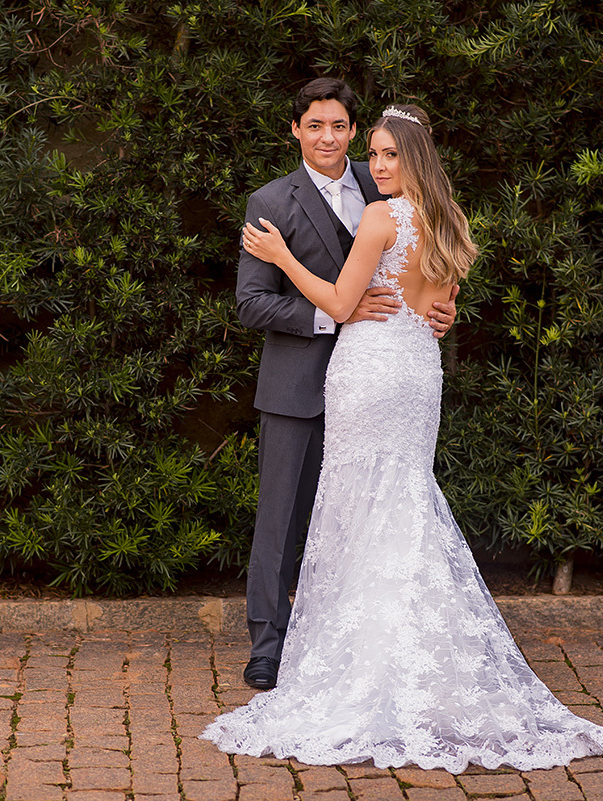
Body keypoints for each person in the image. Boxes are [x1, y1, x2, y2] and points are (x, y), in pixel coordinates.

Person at [203, 104, 603, 772]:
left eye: (386, 154)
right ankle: (412, 655)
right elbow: (438, 302)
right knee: (402, 501)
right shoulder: (450, 220)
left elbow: (343, 305)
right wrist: (440, 305)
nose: (375, 165)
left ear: (413, 156)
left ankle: (370, 665)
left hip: (369, 369)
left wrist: (283, 254)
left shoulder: (380, 215)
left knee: (360, 508)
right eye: (372, 154)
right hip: (416, 373)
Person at [235, 78, 458, 692]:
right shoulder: (270, 201)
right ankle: (268, 646)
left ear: (354, 131)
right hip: (298, 380)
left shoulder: (384, 180)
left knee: (359, 510)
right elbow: (250, 304)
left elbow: (428, 259)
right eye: (315, 126)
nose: (328, 136)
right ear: (296, 131)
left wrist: (444, 308)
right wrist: (331, 313)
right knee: (282, 516)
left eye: (338, 126)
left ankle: (355, 641)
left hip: (376, 377)